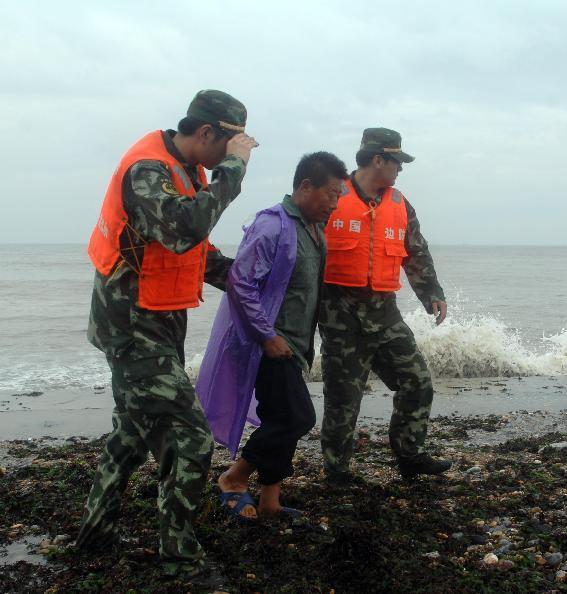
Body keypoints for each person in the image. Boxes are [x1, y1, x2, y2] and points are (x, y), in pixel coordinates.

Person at [76, 90, 258, 585]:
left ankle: (93, 536)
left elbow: (191, 248)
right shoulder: (147, 170)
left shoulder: (187, 169)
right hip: (132, 328)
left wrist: (244, 278)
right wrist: (234, 173)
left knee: (133, 434)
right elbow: (183, 227)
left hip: (158, 320)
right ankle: (180, 559)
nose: (230, 158)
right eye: (229, 147)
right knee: (192, 437)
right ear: (206, 134)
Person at [196, 151, 348, 520]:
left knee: (280, 417)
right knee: (297, 418)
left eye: (339, 195)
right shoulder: (272, 225)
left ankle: (270, 502)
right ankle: (233, 478)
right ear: (305, 186)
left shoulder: (314, 229)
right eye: (331, 193)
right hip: (265, 344)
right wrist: (266, 336)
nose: (335, 202)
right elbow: (241, 283)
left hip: (295, 344)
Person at [319, 127, 451, 484]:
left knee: (417, 381)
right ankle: (337, 471)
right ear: (378, 159)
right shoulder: (333, 195)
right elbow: (301, 252)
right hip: (339, 314)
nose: (400, 169)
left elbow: (417, 252)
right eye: (397, 161)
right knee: (343, 398)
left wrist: (432, 293)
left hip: (384, 312)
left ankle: (408, 455)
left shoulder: (399, 203)